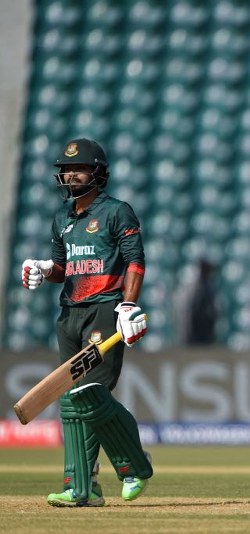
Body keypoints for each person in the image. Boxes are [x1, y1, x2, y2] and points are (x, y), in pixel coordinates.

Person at [20, 138, 153, 507]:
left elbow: (135, 261)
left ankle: (131, 465)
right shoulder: (61, 218)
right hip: (69, 314)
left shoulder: (116, 212)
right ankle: (85, 486)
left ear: (98, 173)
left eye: (79, 168)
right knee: (72, 400)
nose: (71, 175)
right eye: (66, 169)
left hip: (104, 310)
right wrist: (44, 269)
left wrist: (128, 305)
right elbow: (63, 269)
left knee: (90, 395)